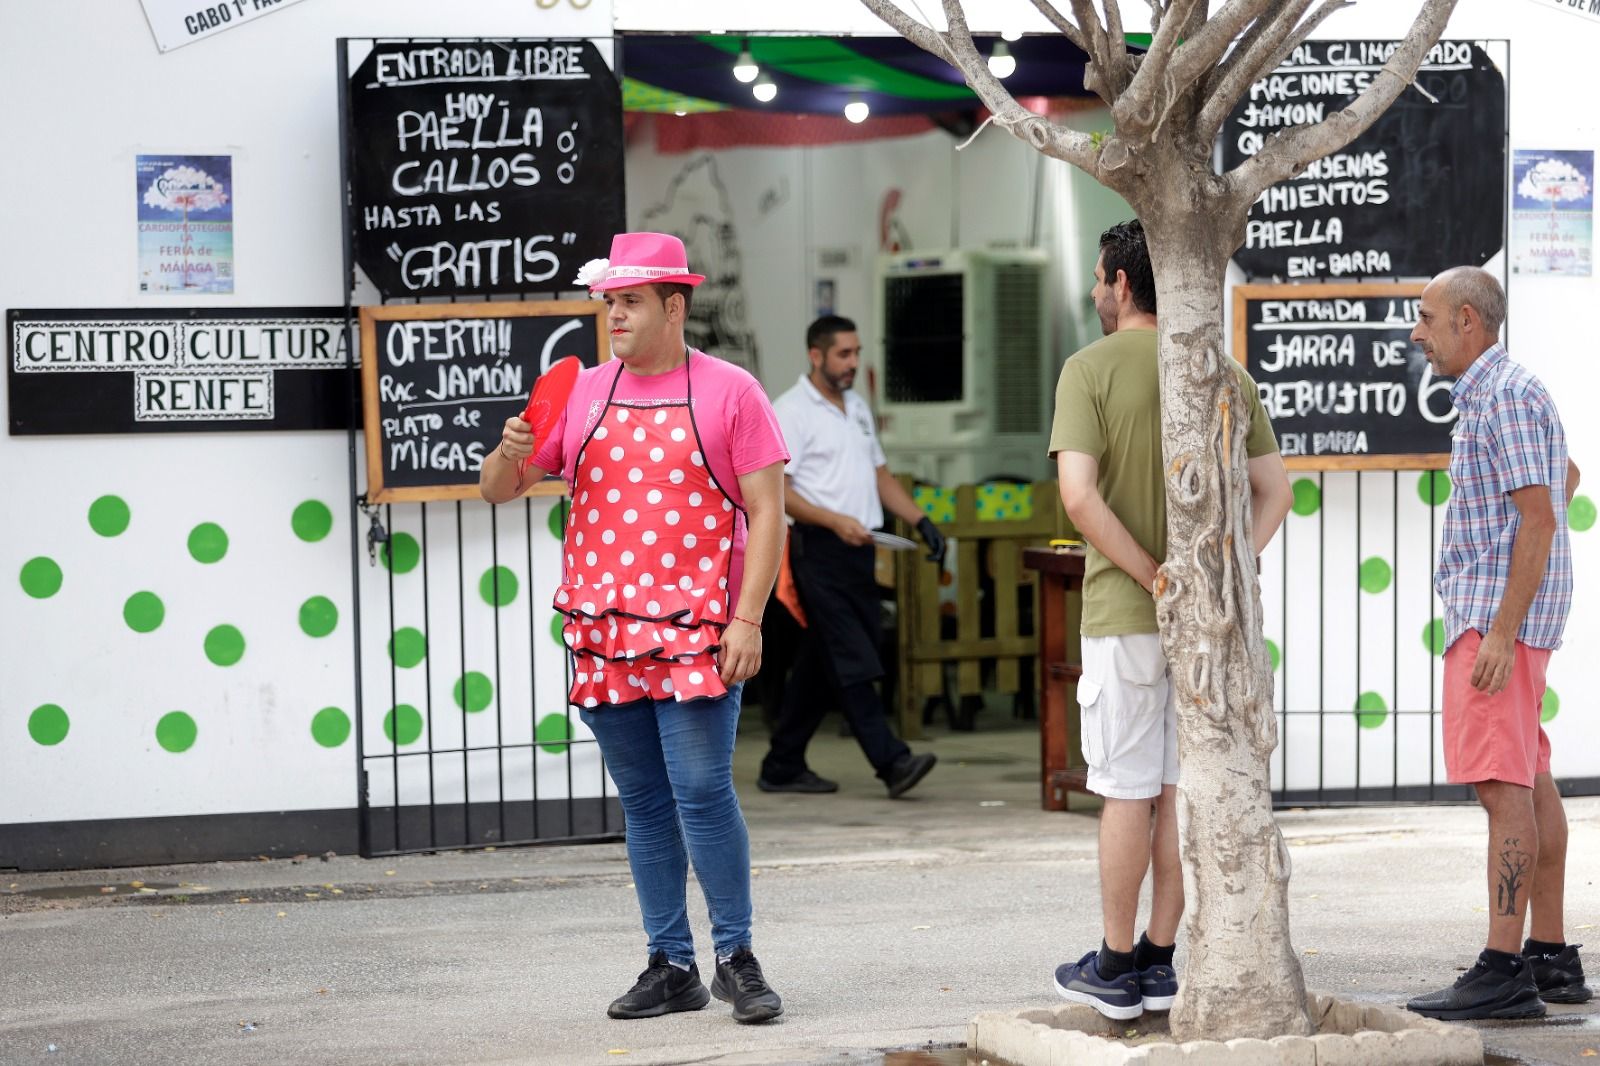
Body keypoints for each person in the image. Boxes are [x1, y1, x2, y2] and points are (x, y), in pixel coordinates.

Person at [479, 232, 789, 1025]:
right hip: (604, 628)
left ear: (674, 306)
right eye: (609, 301)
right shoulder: (580, 391)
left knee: (701, 789)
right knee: (646, 803)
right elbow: (499, 490)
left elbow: (767, 512)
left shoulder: (732, 392)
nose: (613, 315)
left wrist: (747, 617)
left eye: (630, 302)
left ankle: (737, 956)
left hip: (697, 630)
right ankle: (669, 963)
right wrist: (507, 452)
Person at [1047, 220, 1291, 1020]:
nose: (1093, 292)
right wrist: (1217, 573)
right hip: (1207, 626)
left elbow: (1079, 498)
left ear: (1121, 282)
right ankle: (1158, 959)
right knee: (1177, 788)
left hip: (1125, 613)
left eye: (1097, 278)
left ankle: (1114, 966)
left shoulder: (1086, 371)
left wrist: (1153, 576)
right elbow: (1276, 492)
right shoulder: (1221, 373)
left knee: (1123, 790)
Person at [1405, 266, 1588, 1020]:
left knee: (1501, 789)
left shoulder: (1504, 394)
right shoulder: (1504, 391)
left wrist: (1502, 630)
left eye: (1427, 317)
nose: (1418, 333)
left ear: (1468, 322)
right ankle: (1549, 957)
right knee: (1530, 777)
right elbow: (1564, 478)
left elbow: (1541, 517)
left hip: (1495, 622)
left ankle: (1503, 969)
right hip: (1505, 615)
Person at [755, 315, 944, 798]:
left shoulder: (857, 407)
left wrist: (921, 522)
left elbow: (880, 474)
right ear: (815, 355)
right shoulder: (791, 411)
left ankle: (782, 763)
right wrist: (835, 521)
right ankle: (892, 761)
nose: (853, 363)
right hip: (817, 551)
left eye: (857, 353)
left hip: (859, 553)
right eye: (844, 354)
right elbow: (780, 492)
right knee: (854, 657)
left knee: (827, 659)